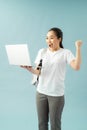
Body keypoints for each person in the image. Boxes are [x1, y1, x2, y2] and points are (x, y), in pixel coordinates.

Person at [21, 27, 82, 130]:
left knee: (55, 125)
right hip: (41, 93)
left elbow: (76, 66)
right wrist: (29, 68)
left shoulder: (65, 53)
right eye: (47, 38)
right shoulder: (42, 52)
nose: (48, 41)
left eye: (52, 38)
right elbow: (38, 72)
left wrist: (78, 48)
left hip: (56, 95)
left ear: (59, 39)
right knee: (42, 124)